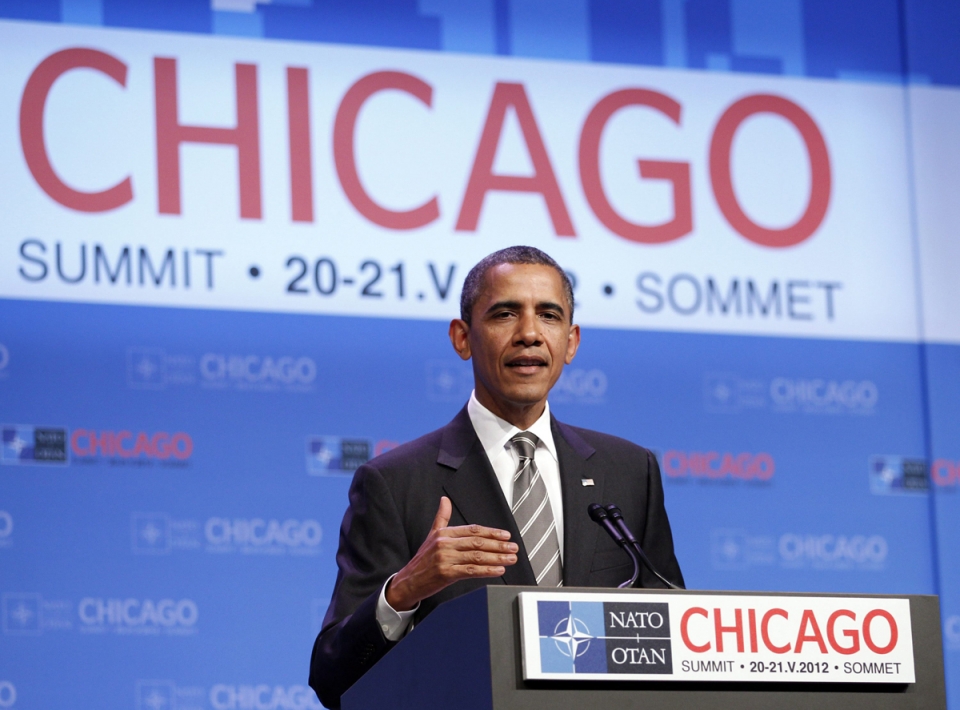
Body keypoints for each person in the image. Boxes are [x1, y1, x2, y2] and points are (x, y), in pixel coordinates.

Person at [309, 246, 684, 708]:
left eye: (548, 315)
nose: (529, 334)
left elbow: (672, 637)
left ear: (571, 341)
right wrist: (406, 589)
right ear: (462, 337)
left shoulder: (629, 471)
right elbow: (332, 677)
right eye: (505, 314)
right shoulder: (395, 482)